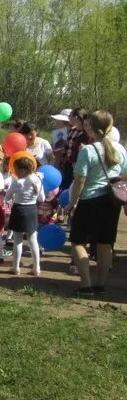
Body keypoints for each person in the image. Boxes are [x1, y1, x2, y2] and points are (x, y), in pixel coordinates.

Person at [67, 110, 127, 296]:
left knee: (78, 241)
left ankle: (85, 284)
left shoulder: (88, 150)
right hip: (111, 202)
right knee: (105, 244)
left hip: (89, 201)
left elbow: (80, 180)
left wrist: (72, 202)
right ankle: (100, 284)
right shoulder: (121, 149)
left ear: (91, 128)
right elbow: (124, 176)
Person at [5, 156, 45, 276]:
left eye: (15, 169)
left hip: (19, 209)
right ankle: (36, 268)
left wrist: (10, 196)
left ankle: (15, 267)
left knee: (18, 241)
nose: (14, 171)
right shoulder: (38, 180)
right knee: (33, 240)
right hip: (32, 210)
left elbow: (7, 196)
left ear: (22, 170)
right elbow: (41, 198)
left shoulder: (18, 182)